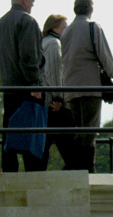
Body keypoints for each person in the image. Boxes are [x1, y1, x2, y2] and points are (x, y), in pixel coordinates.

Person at [61, 0, 113, 172]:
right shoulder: (93, 27)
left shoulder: (66, 32)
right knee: (90, 129)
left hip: (71, 86)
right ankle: (86, 168)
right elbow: (104, 55)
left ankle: (75, 166)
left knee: (80, 128)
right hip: (90, 86)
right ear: (90, 9)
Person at [0, 0, 45, 172]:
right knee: (31, 139)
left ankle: (9, 174)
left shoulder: (1, 23)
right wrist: (35, 84)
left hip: (8, 88)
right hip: (27, 90)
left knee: (9, 136)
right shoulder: (28, 22)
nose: (33, 4)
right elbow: (28, 57)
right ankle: (32, 179)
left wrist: (5, 74)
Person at [37, 14, 76, 170]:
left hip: (46, 102)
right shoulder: (54, 44)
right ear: (54, 27)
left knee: (44, 147)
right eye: (64, 27)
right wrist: (58, 98)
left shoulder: (43, 43)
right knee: (71, 150)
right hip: (54, 103)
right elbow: (53, 72)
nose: (66, 31)